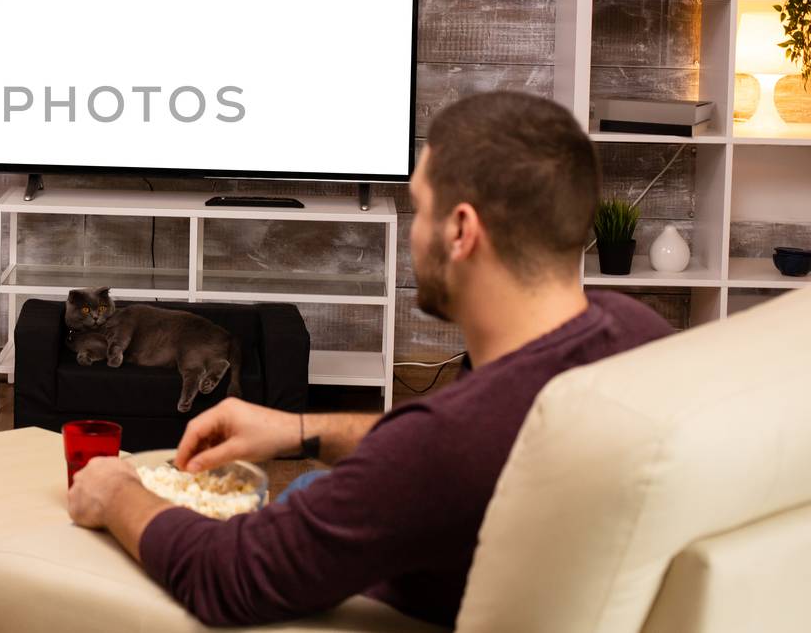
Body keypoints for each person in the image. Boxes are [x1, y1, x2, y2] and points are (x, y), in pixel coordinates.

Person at [66, 91, 675, 629]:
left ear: (461, 231)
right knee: (306, 481)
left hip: (379, 600)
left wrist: (118, 492)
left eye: (419, 208)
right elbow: (475, 453)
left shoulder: (448, 445)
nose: (413, 233)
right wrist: (302, 431)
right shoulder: (637, 331)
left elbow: (227, 576)